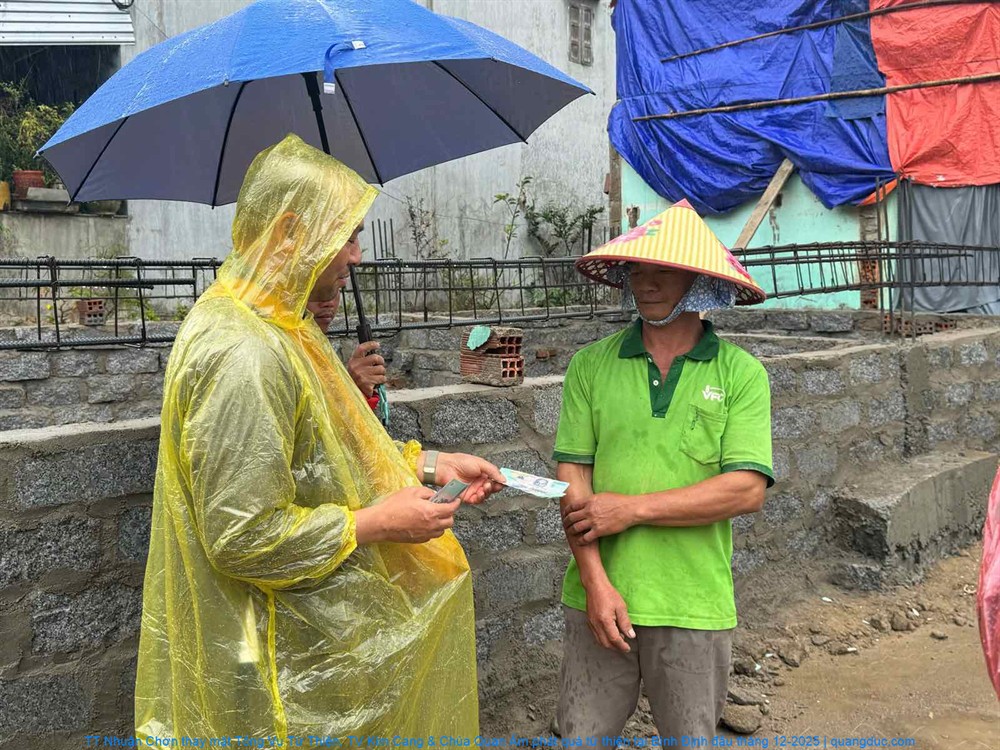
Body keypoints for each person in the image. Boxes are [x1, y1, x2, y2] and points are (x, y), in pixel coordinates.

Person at [135, 134, 503, 744]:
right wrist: (376, 523)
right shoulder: (246, 353)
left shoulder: (286, 326)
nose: (356, 256)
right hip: (273, 666)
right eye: (347, 235)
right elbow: (242, 537)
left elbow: (329, 455)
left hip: (307, 653)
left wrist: (430, 465)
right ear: (289, 234)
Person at [554, 200, 774, 740]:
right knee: (581, 738)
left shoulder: (741, 374)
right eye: (636, 270)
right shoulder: (590, 365)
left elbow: (745, 490)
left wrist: (630, 510)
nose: (646, 284)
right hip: (599, 597)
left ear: (699, 281)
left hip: (693, 602)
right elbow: (572, 479)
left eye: (664, 271)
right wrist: (595, 582)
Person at [306, 293, 387, 401]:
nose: (329, 303)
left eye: (334, 290)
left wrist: (358, 391)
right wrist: (349, 387)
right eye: (317, 291)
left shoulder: (320, 347)